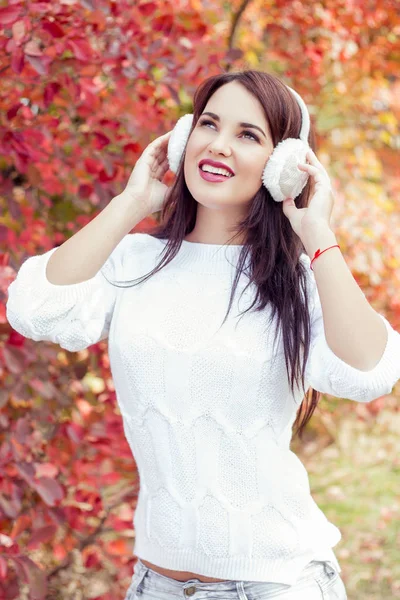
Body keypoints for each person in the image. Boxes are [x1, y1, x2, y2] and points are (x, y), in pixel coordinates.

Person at [6, 70, 400, 600]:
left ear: (282, 166)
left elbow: (369, 371)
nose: (217, 145)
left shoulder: (295, 285)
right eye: (208, 125)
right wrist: (133, 203)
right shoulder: (136, 261)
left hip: (278, 583)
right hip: (157, 584)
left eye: (248, 135)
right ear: (181, 138)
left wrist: (318, 235)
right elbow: (35, 310)